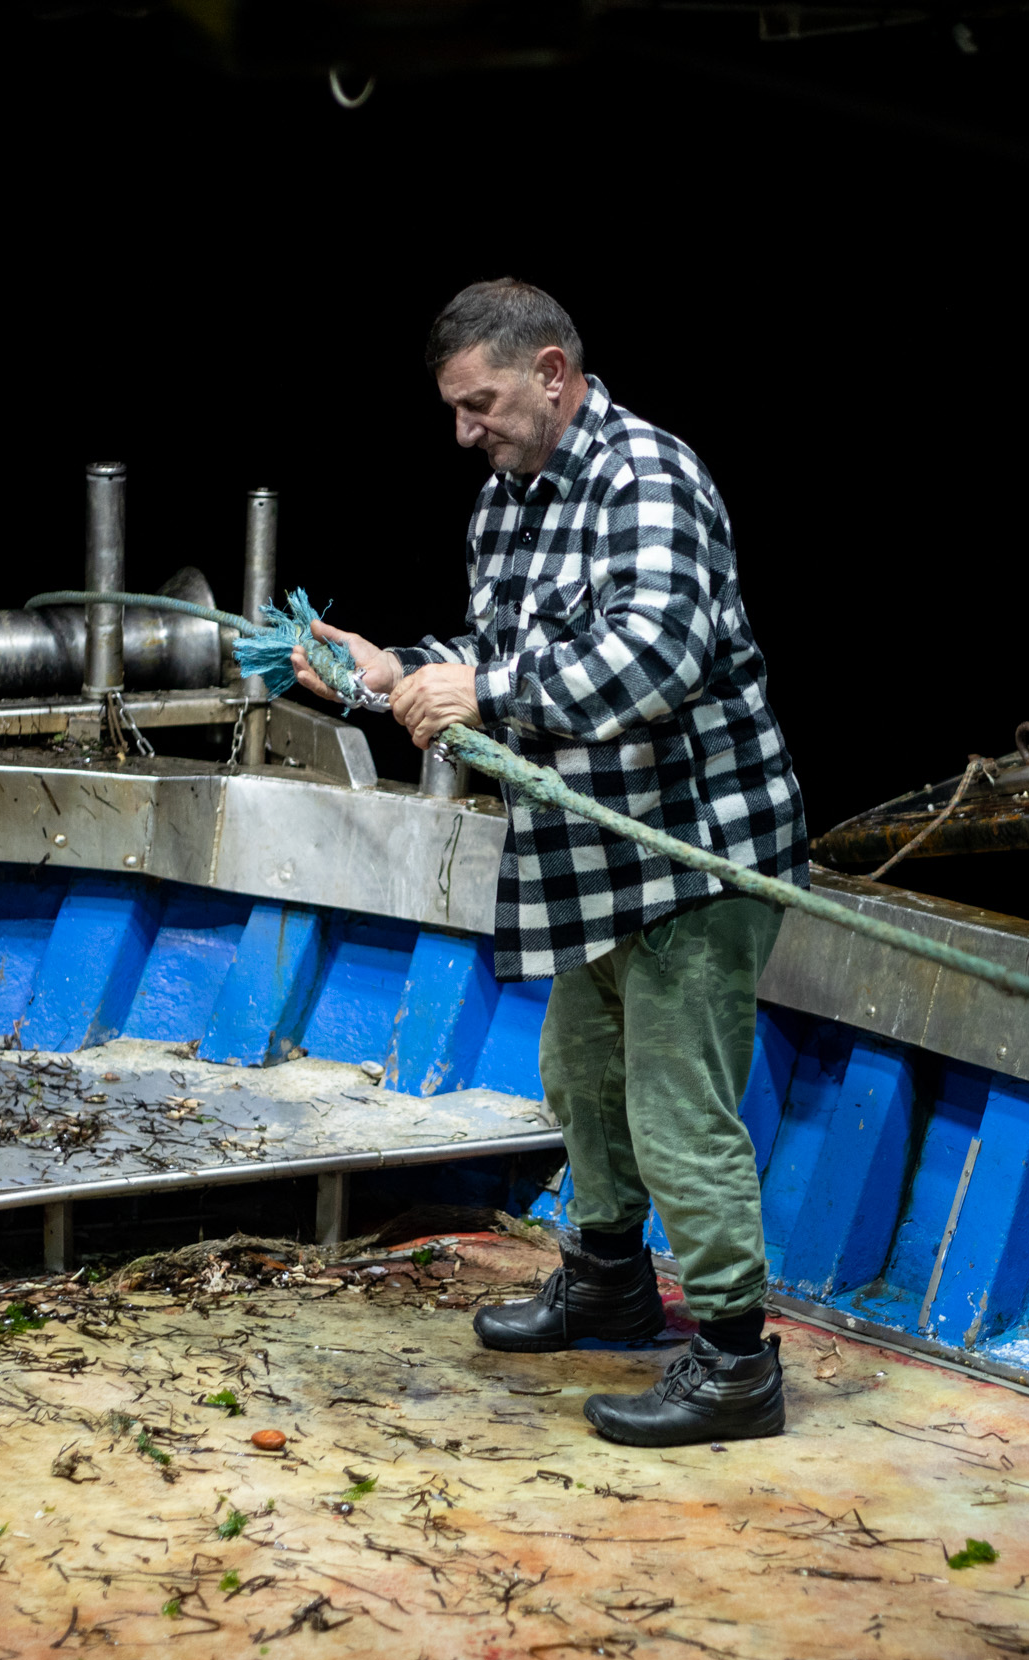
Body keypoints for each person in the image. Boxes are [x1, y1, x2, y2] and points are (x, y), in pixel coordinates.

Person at [291, 278, 809, 1448]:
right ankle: (610, 1280)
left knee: (679, 1109)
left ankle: (734, 1365)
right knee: (580, 1078)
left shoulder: (650, 478)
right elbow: (496, 657)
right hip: (593, 855)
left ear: (553, 375)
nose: (466, 432)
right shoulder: (508, 501)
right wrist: (384, 670)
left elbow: (656, 657)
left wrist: (485, 685)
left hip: (695, 852)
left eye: (482, 405)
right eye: (456, 411)